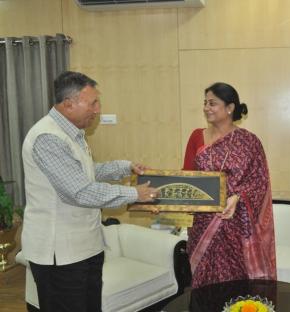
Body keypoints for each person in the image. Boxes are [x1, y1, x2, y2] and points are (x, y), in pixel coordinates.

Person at [21, 71, 159, 312]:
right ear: (68, 104)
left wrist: (125, 167)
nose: (97, 110)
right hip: (60, 256)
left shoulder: (71, 133)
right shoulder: (48, 137)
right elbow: (79, 191)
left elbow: (85, 171)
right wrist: (134, 194)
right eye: (93, 103)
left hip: (84, 248)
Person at [183, 82, 276, 288]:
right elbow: (186, 177)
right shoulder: (197, 137)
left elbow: (260, 182)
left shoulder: (250, 141)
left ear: (230, 107)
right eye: (205, 103)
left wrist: (237, 197)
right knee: (203, 283)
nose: (206, 107)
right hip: (202, 223)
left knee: (235, 284)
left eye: (213, 103)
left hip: (237, 225)